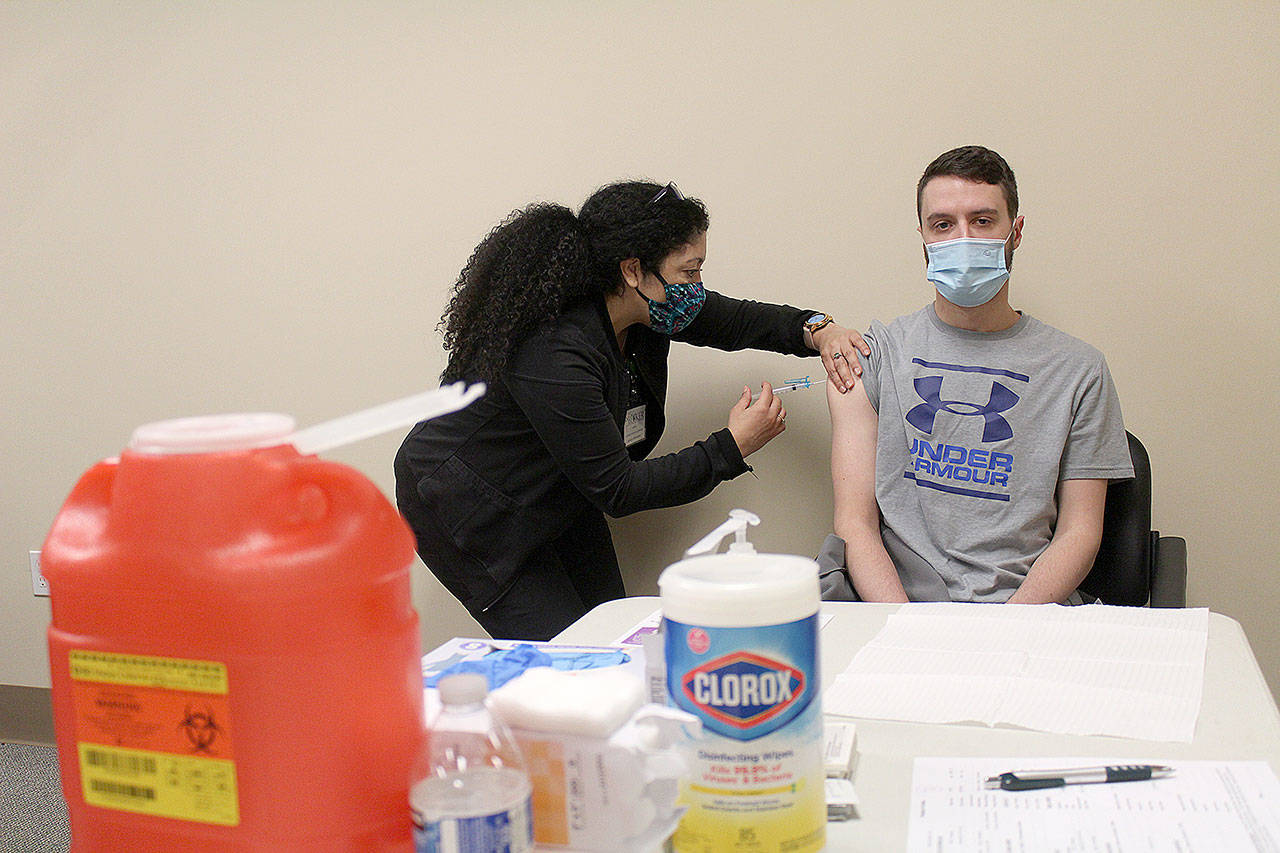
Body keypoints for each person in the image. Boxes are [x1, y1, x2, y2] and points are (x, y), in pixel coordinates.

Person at [396, 180, 869, 640]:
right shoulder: (555, 349)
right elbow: (619, 491)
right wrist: (732, 446)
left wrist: (818, 329)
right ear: (632, 270)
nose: (698, 287)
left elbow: (737, 320)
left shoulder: (646, 311)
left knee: (612, 631)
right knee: (571, 660)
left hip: (559, 491)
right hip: (470, 510)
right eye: (689, 271)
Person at [824, 146, 1133, 604]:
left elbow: (1079, 535)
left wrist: (1002, 634)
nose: (962, 239)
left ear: (1017, 231)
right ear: (923, 237)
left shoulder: (1079, 370)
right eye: (943, 224)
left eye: (983, 221)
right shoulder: (870, 356)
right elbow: (855, 524)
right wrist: (906, 632)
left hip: (1024, 608)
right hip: (899, 606)